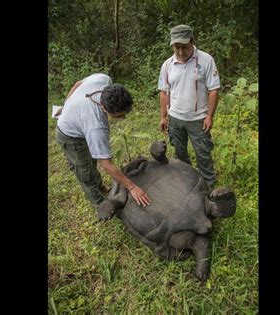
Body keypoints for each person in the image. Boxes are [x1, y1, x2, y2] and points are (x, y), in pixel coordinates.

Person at [55, 73, 151, 208]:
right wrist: (132, 187)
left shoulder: (102, 79)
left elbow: (77, 83)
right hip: (70, 135)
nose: (123, 118)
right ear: (104, 108)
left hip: (79, 121)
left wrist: (66, 105)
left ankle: (100, 185)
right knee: (85, 170)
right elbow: (106, 164)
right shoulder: (97, 126)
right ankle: (99, 203)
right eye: (119, 115)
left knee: (92, 161)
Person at [157, 25, 221, 188]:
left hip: (198, 119)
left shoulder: (206, 60)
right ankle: (186, 183)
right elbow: (164, 92)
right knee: (180, 153)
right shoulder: (167, 65)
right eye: (176, 47)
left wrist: (209, 116)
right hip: (175, 118)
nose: (180, 51)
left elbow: (214, 90)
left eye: (184, 47)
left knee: (203, 153)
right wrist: (163, 117)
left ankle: (209, 186)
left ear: (192, 41)